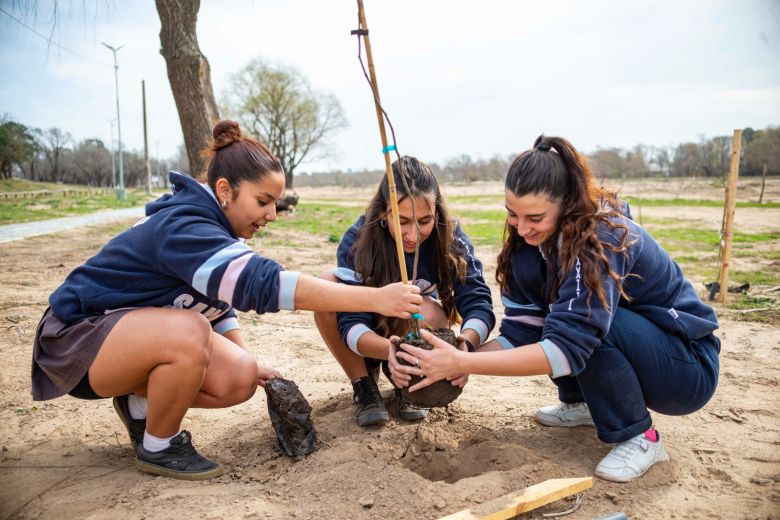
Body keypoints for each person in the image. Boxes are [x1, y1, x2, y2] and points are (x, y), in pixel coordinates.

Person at [31, 120, 422, 481]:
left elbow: (218, 305)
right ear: (224, 190)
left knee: (239, 378)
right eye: (263, 200)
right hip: (76, 341)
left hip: (128, 338)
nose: (272, 214)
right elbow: (262, 284)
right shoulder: (184, 226)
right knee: (189, 331)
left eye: (275, 203)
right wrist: (376, 298)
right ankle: (159, 447)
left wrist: (251, 362)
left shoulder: (216, 229)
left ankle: (138, 406)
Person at [390, 135, 720, 483]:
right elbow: (520, 333)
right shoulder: (527, 249)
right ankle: (579, 405)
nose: (521, 227)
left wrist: (465, 362)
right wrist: (461, 354)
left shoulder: (602, 236)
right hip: (637, 349)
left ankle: (641, 437)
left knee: (587, 325)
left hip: (685, 367)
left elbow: (568, 346)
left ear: (567, 204)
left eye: (535, 217)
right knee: (562, 318)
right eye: (512, 214)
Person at [314, 156, 495, 426]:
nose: (412, 234)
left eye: (424, 221)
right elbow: (351, 323)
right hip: (369, 337)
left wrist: (465, 347)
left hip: (410, 332)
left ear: (437, 211)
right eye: (402, 221)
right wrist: (390, 351)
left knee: (426, 308)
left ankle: (406, 382)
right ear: (383, 213)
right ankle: (364, 385)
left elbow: (479, 303)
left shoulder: (451, 237)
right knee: (326, 286)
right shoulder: (358, 239)